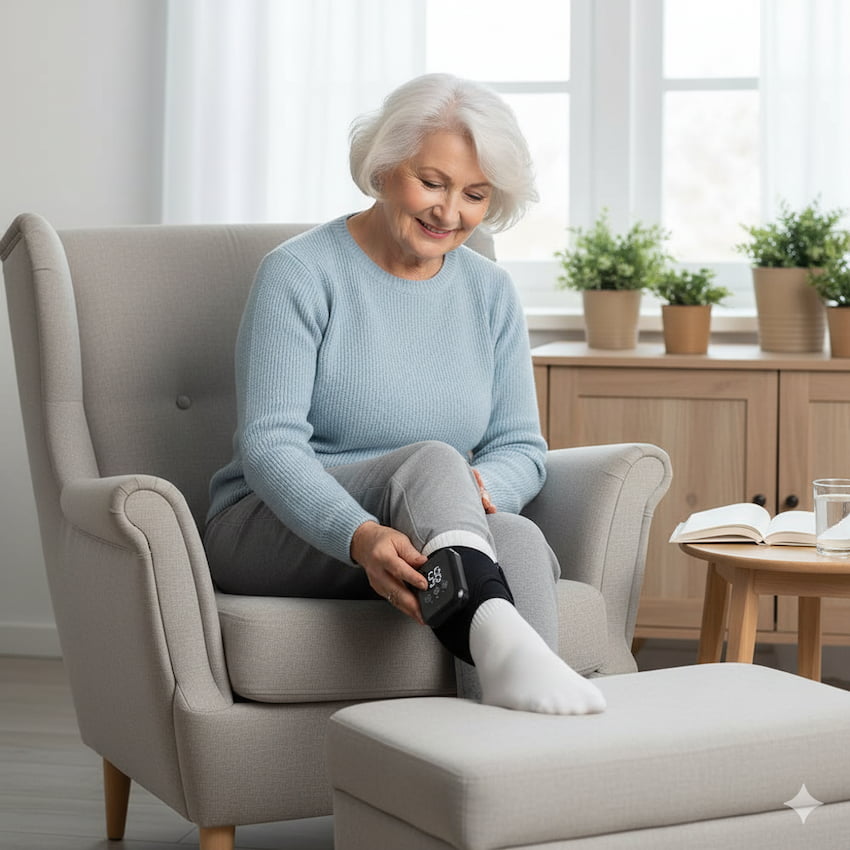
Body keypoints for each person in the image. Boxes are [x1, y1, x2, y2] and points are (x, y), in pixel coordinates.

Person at [204, 73, 606, 716]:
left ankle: (507, 781)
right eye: (433, 182)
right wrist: (360, 533)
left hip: (427, 529)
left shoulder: (490, 291)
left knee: (522, 542)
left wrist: (472, 495)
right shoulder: (300, 273)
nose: (450, 213)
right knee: (435, 461)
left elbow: (520, 447)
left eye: (475, 195)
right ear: (385, 165)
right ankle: (501, 655)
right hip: (273, 526)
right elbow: (269, 445)